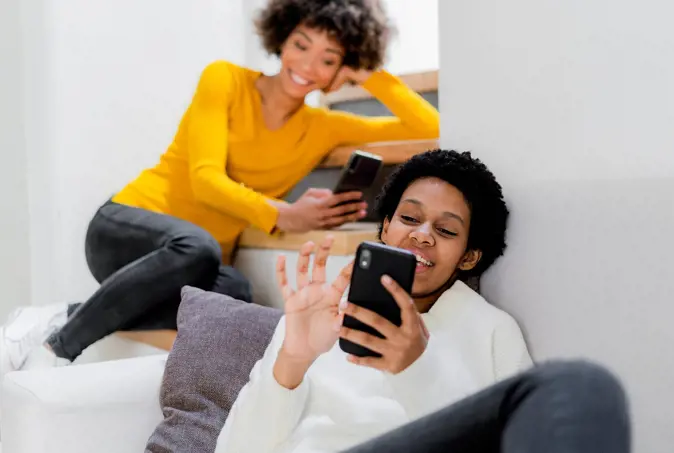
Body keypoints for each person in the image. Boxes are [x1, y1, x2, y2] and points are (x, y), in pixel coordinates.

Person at [0, 0, 439, 375]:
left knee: (232, 297)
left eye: (327, 59)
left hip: (187, 263)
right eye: (301, 44)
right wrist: (283, 214)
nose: (306, 65)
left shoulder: (322, 127)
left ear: (339, 70)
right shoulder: (225, 79)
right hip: (123, 230)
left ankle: (66, 314)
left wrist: (370, 73)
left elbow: (432, 125)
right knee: (200, 247)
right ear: (282, 37)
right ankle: (55, 350)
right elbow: (205, 181)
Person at [213, 149, 625, 453]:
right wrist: (293, 361)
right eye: (409, 219)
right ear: (386, 226)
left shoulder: (490, 330)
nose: (422, 234)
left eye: (446, 231)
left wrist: (415, 370)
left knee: (577, 386)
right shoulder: (317, 314)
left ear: (469, 256)